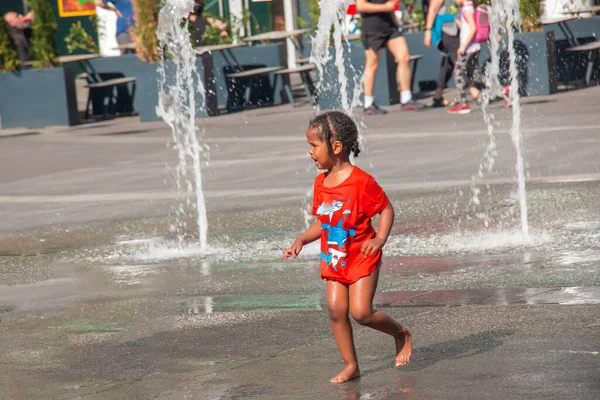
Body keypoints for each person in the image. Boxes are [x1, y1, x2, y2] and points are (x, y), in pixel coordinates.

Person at [283, 111, 412, 384]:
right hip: (334, 258)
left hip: (362, 257)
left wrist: (379, 240)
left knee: (361, 313)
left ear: (336, 147)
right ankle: (351, 365)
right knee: (335, 310)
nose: (310, 152)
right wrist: (302, 239)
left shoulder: (362, 182)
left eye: (314, 146)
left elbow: (386, 210)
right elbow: (323, 221)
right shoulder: (321, 182)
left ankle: (401, 333)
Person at [357, 0, 421, 115]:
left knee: (404, 57)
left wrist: (394, 21)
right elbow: (361, 6)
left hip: (390, 27)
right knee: (372, 65)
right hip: (372, 28)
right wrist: (384, 7)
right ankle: (368, 103)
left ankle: (406, 99)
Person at [447, 0, 484, 114]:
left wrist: (463, 46)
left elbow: (473, 28)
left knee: (458, 73)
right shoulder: (468, 8)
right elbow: (464, 27)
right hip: (473, 48)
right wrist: (455, 16)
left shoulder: (467, 9)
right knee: (474, 74)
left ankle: (463, 103)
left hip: (468, 48)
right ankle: (503, 90)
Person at [424, 0, 460, 108]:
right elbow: (433, 8)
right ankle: (473, 92)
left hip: (458, 27)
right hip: (448, 30)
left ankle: (438, 95)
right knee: (458, 61)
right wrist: (428, 30)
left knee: (448, 63)